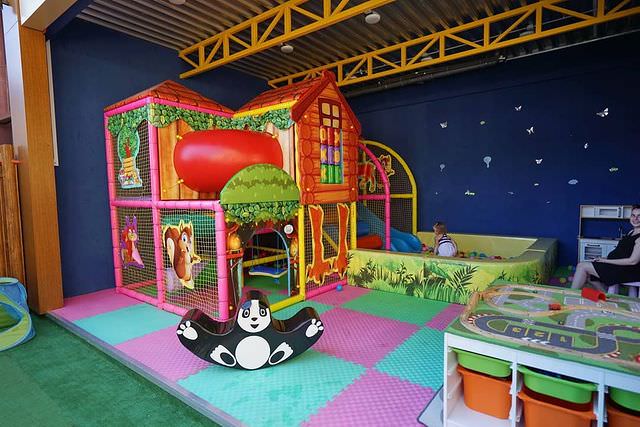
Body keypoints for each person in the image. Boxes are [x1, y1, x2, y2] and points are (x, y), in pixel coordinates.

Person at [571, 205, 640, 291]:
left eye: (639, 216)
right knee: (589, 274)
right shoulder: (631, 232)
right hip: (617, 266)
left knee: (582, 266)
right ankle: (606, 295)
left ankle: (571, 292)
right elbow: (622, 252)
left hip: (628, 270)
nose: (635, 218)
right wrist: (604, 258)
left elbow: (633, 261)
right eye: (633, 215)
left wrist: (605, 261)